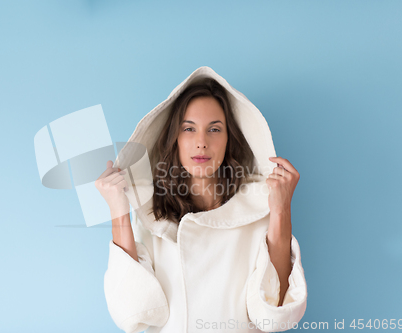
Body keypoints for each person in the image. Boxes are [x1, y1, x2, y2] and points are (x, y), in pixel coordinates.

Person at [95, 66, 308, 333]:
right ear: (175, 139)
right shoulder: (151, 216)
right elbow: (134, 313)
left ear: (230, 139)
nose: (201, 142)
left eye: (215, 129)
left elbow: (274, 315)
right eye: (189, 129)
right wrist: (118, 210)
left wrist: (281, 210)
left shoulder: (256, 211)